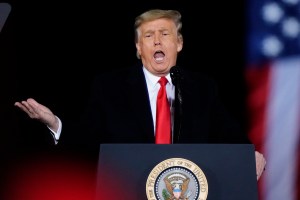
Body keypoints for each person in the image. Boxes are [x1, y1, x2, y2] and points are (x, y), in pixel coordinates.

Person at [14, 9, 266, 180]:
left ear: (179, 43)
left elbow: (229, 134)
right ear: (138, 48)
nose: (157, 41)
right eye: (148, 36)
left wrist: (248, 155)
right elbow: (87, 139)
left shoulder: (202, 88)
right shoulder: (109, 87)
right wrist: (54, 123)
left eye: (164, 34)